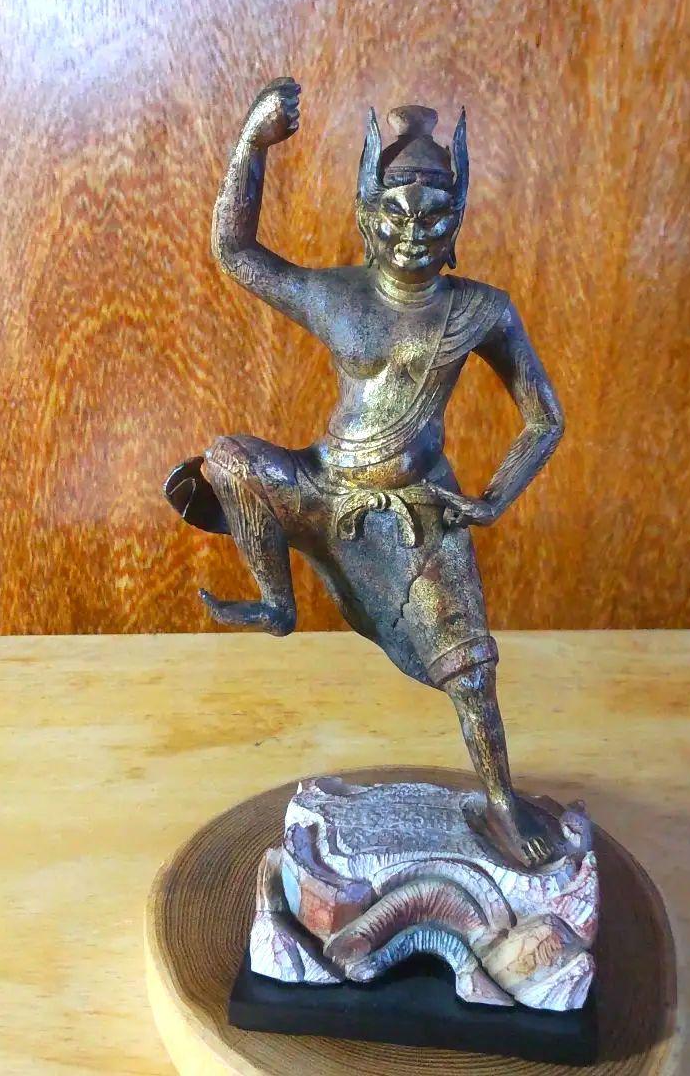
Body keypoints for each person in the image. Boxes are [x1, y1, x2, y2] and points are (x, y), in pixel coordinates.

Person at [166, 78, 564, 867]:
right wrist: (251, 145)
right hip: (322, 487)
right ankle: (278, 602)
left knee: (471, 670)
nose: (415, 233)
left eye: (435, 216)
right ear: (366, 214)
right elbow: (234, 252)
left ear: (459, 219)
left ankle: (499, 800)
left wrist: (492, 499)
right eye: (397, 214)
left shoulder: (480, 310)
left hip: (415, 510)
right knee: (229, 458)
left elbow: (544, 417)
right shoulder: (336, 296)